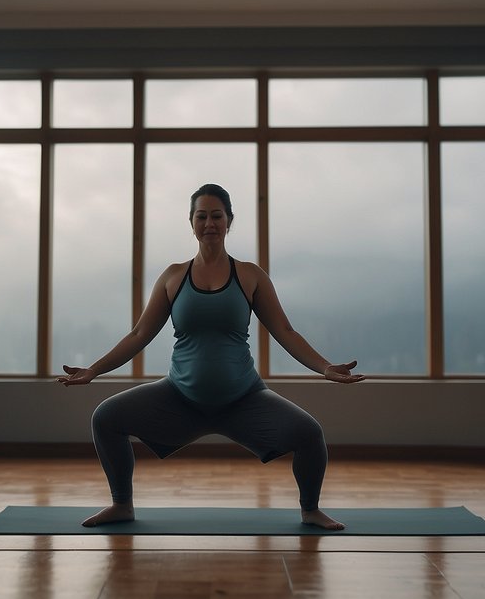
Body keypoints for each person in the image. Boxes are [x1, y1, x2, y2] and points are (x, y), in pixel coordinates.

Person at [57, 183, 364, 530]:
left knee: (309, 433)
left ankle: (310, 510)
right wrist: (94, 370)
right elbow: (139, 334)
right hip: (179, 399)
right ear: (191, 223)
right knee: (105, 418)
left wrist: (325, 367)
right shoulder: (173, 277)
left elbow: (286, 332)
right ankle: (121, 504)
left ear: (229, 221)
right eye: (201, 216)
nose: (209, 223)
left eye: (216, 216)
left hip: (245, 399)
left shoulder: (250, 275)